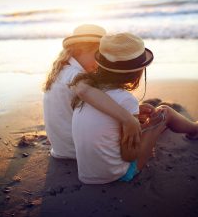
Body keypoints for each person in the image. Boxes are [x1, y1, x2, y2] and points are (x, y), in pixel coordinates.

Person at [71, 33, 198, 184]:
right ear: (138, 72)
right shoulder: (126, 100)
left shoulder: (90, 93)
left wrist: (136, 120)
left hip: (87, 173)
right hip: (117, 174)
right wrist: (145, 126)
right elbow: (129, 156)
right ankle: (194, 129)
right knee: (165, 112)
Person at [43, 25, 153, 159]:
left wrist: (131, 111)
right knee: (146, 130)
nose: (100, 63)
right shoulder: (75, 75)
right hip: (77, 151)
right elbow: (83, 90)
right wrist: (128, 118)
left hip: (61, 148)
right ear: (80, 50)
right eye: (98, 55)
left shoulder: (62, 70)